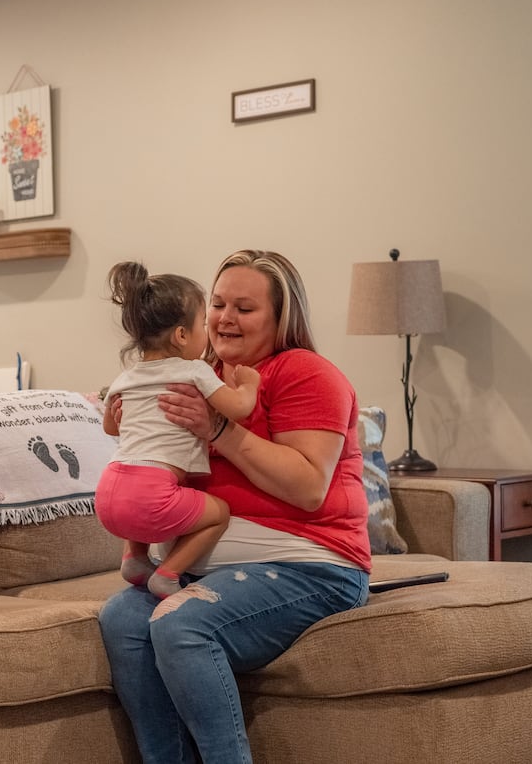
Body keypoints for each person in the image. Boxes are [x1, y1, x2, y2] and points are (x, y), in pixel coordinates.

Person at [98, 249, 371, 764]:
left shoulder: (305, 373)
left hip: (311, 566)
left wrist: (219, 430)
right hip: (200, 569)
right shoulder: (195, 374)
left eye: (244, 308)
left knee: (181, 622)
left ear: (279, 317)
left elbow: (310, 485)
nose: (224, 318)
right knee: (122, 617)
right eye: (218, 304)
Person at [97, 261, 261, 599]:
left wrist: (118, 414)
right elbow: (239, 410)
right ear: (182, 335)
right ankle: (167, 574)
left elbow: (111, 425)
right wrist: (248, 386)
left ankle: (135, 557)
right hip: (150, 494)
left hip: (109, 492)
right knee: (219, 514)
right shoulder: (194, 371)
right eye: (202, 323)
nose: (207, 330)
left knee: (137, 486)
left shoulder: (127, 376)